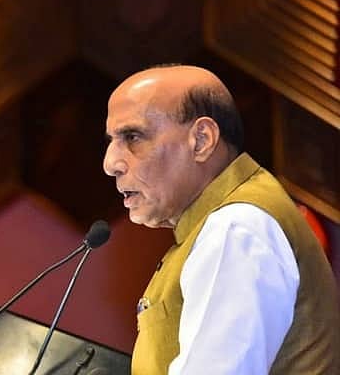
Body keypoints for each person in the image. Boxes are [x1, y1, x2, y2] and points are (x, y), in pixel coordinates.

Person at [102, 64, 340, 374]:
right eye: (111, 141)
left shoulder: (235, 228)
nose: (110, 163)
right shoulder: (228, 220)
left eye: (133, 136)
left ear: (202, 140)